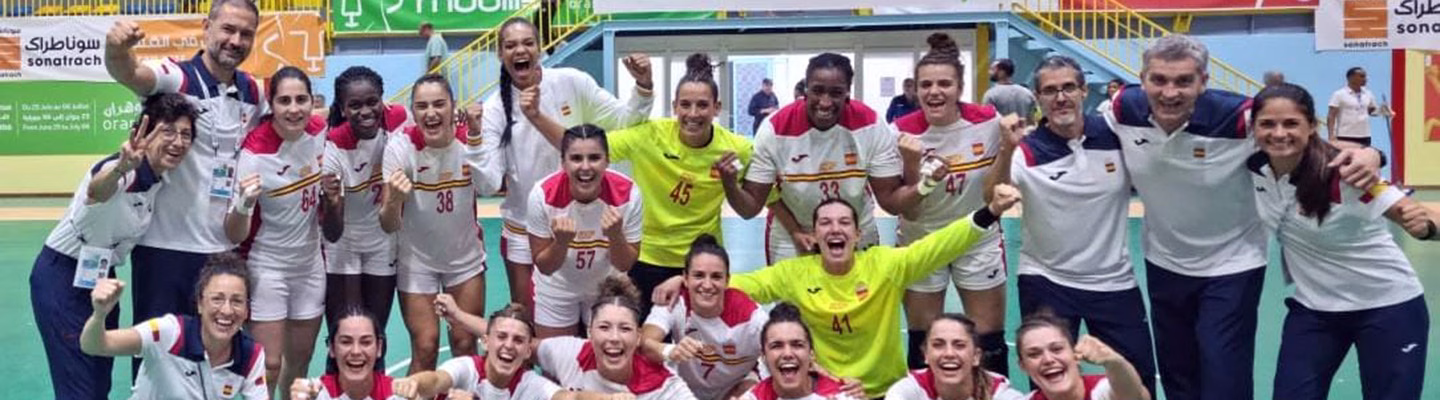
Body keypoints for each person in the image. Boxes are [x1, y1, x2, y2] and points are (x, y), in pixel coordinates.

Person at [1101, 34, 1386, 400]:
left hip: (1233, 265)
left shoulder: (1240, 117)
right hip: (1164, 261)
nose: (1170, 92)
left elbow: (1302, 137)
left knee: (1224, 369)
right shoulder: (1123, 108)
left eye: (1184, 81)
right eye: (1159, 80)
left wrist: (1374, 154)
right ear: (1142, 80)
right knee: (1177, 370)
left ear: (1204, 81)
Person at [657, 187, 1022, 398]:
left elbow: (939, 246)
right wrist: (684, 280)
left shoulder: (884, 264)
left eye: (845, 222)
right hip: (828, 392)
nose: (835, 229)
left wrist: (990, 211)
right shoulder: (794, 273)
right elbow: (731, 284)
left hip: (887, 392)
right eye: (826, 223)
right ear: (814, 236)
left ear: (857, 234)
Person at [104, 0, 267, 375]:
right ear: (206, 27)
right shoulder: (177, 78)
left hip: (223, 253)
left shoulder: (252, 93)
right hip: (164, 250)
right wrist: (116, 49)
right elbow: (130, 72)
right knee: (156, 362)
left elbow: (297, 114)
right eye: (228, 29)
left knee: (216, 361)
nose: (236, 40)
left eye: (246, 34)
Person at [1246, 83, 1434, 400]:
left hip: (1387, 306)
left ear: (1311, 127)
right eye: (1267, 124)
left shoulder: (1346, 174)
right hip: (1314, 310)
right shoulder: (1254, 168)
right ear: (1253, 128)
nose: (1279, 133)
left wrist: (1426, 227)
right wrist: (1374, 152)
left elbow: (1410, 212)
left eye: (1291, 123)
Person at [527, 53, 754, 314]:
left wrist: (730, 184)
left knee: (697, 335)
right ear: (674, 107)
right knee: (641, 335)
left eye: (702, 105)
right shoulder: (649, 136)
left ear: (717, 107)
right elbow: (582, 147)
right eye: (685, 105)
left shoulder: (738, 149)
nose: (693, 114)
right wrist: (536, 116)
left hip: (699, 261)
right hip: (646, 258)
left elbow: (749, 210)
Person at [986, 55, 1158, 395]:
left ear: (1084, 92)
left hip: (1113, 280)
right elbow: (990, 195)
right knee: (1050, 379)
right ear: (1038, 98)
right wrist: (1006, 149)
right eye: (1050, 91)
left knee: (1138, 384)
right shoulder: (1027, 150)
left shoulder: (1114, 135)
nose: (1061, 97)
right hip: (1047, 279)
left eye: (1068, 88)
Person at [473, 17, 653, 316]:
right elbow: (488, 184)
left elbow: (625, 120)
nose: (520, 50)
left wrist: (643, 87)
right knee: (527, 321)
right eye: (511, 45)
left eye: (528, 43)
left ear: (540, 47)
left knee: (601, 318)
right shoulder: (494, 110)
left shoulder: (572, 82)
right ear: (500, 54)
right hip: (524, 229)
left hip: (589, 224)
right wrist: (474, 139)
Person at [30, 93, 196, 399]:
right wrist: (121, 166)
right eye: (168, 131)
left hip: (102, 280)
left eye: (186, 134)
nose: (178, 141)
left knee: (97, 381)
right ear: (145, 134)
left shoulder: (157, 181)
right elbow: (98, 190)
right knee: (78, 386)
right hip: (63, 277)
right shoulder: (125, 171)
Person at [720, 52, 927, 264]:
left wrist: (924, 179)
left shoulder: (870, 124)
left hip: (856, 229)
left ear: (847, 94)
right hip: (795, 232)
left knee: (860, 287)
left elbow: (891, 202)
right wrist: (730, 183)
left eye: (836, 93)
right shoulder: (775, 128)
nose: (825, 102)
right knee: (792, 288)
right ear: (806, 91)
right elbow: (750, 208)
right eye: (817, 91)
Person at [889, 33, 1010, 376]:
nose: (934, 91)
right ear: (915, 89)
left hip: (977, 238)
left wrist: (1008, 148)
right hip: (922, 239)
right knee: (924, 340)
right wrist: (912, 164)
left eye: (944, 83)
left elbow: (992, 196)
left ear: (960, 88)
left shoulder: (987, 122)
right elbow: (909, 210)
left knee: (988, 340)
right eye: (926, 84)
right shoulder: (899, 132)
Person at [223, 66, 343, 397]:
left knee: (300, 361)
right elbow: (234, 233)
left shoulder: (319, 131)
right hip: (266, 267)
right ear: (271, 105)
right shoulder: (255, 152)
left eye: (301, 100)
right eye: (284, 101)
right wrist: (244, 203)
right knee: (269, 364)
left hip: (310, 266)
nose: (294, 109)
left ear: (312, 101)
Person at [381, 74, 490, 374]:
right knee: (426, 347)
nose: (431, 113)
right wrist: (394, 200)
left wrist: (477, 139)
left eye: (439, 104)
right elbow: (388, 224)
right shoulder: (401, 147)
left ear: (453, 106)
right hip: (416, 262)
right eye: (422, 106)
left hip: (465, 260)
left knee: (465, 343)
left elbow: (489, 186)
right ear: (413, 112)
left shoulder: (470, 140)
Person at [79, 253, 269, 399]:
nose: (227, 310)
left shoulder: (251, 355)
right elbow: (95, 345)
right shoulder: (167, 333)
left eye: (237, 301)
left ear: (247, 310)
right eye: (217, 299)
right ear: (200, 303)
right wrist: (99, 315)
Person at [524, 125, 643, 338]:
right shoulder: (542, 195)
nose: (585, 167)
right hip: (557, 287)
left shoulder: (628, 193)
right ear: (563, 163)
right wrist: (561, 243)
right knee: (555, 356)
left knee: (608, 352)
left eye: (594, 158)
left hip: (607, 286)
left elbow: (625, 264)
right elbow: (545, 267)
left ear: (607, 161)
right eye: (576, 158)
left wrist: (615, 236)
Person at [325, 66, 409, 335]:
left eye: (373, 102)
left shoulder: (398, 119)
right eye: (355, 105)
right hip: (344, 243)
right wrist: (332, 202)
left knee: (375, 332)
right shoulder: (334, 144)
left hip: (383, 241)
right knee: (344, 331)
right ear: (342, 109)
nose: (365, 111)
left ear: (383, 100)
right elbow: (332, 232)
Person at [393, 304, 628, 400]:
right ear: (486, 342)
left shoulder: (531, 385)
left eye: (518, 340)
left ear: (527, 351)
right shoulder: (466, 369)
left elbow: (570, 398)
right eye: (502, 336)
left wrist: (608, 399)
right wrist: (414, 383)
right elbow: (435, 380)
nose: (508, 345)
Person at [640, 234, 767, 400]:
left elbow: (781, 349)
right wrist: (670, 351)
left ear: (727, 281)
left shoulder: (751, 316)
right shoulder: (674, 302)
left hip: (735, 387)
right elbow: (645, 344)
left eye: (716, 277)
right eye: (699, 275)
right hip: (684, 390)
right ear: (685, 278)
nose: (707, 285)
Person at [536, 275, 697, 399]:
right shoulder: (569, 352)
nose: (614, 338)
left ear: (638, 337)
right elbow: (525, 349)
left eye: (625, 329)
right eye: (604, 327)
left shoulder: (666, 388)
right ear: (590, 332)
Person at [885, 314, 1025, 400]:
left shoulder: (1000, 394)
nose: (949, 353)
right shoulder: (908, 390)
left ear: (976, 356)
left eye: (959, 345)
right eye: (938, 345)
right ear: (926, 354)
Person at [1015, 314, 1150, 400]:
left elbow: (1134, 396)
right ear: (1023, 366)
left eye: (1057, 349)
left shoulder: (1101, 391)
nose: (1048, 359)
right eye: (1034, 354)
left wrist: (1114, 362)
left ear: (1075, 354)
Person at [738, 303, 858, 400]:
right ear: (764, 357)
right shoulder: (753, 397)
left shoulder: (841, 396)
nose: (788, 354)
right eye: (777, 346)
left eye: (797, 345)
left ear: (811, 354)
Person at [289, 307, 402, 400]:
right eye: (346, 342)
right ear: (332, 348)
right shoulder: (316, 393)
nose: (356, 351)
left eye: (366, 342)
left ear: (379, 347)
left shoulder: (397, 395)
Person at [1326, 67, 1393, 147]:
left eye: (1365, 76)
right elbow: (1331, 115)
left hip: (1364, 135)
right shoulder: (1339, 94)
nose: (1365, 79)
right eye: (1362, 76)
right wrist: (1331, 135)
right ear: (1351, 78)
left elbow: (1371, 111)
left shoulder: (1368, 93)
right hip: (1345, 135)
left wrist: (1382, 110)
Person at [983, 58, 1037, 124]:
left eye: (992, 69)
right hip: (1025, 130)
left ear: (1002, 72)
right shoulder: (1027, 93)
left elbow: (986, 121)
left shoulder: (991, 94)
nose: (989, 72)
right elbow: (1033, 119)